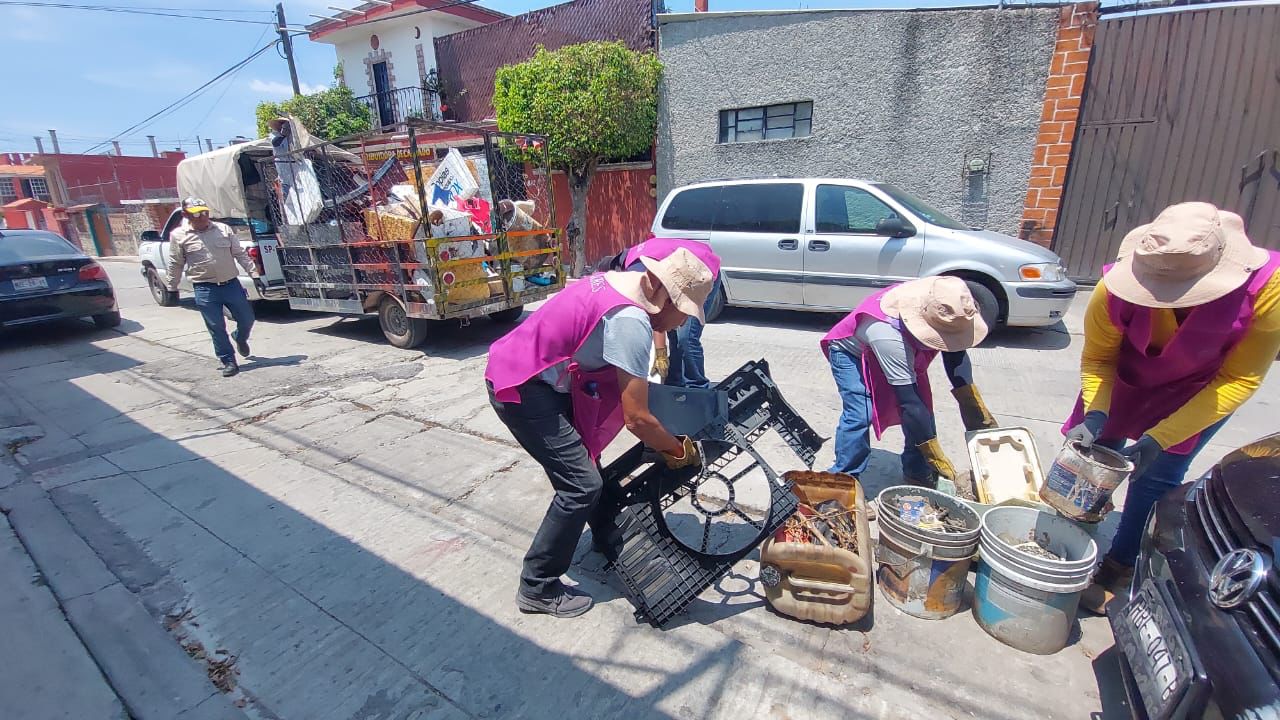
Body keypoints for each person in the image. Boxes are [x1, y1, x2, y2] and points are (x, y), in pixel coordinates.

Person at [1064, 202, 1280, 614]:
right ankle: (1069, 538)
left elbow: (1240, 378)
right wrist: (1095, 413)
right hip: (1125, 377)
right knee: (1091, 460)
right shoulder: (1111, 288)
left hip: (1200, 391)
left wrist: (1160, 439)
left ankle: (1120, 565)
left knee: (1157, 475)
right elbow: (1098, 359)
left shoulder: (1269, 287)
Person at [485, 248, 716, 618]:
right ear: (662, 292)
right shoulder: (630, 320)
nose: (681, 322)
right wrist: (677, 450)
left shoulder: (622, 283)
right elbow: (636, 419)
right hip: (522, 386)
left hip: (542, 376)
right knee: (581, 485)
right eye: (684, 311)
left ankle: (606, 532)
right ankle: (537, 585)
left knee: (587, 463)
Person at [820, 276, 998, 488]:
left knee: (924, 412)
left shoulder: (943, 297)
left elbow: (955, 355)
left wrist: (971, 404)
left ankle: (917, 471)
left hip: (902, 349)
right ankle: (843, 480)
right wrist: (934, 455)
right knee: (861, 413)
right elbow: (909, 403)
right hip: (853, 354)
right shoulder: (887, 334)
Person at [602, 237, 722, 389]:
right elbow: (658, 312)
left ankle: (697, 387)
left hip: (702, 273)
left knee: (686, 337)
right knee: (673, 332)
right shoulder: (632, 261)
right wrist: (661, 352)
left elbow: (654, 310)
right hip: (682, 273)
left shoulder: (637, 270)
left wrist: (660, 354)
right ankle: (675, 383)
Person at [166, 197, 259, 377]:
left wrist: (253, 274)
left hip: (231, 284)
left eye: (205, 212)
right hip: (205, 288)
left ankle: (240, 337)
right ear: (186, 215)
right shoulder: (179, 236)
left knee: (247, 319)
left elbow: (240, 254)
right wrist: (171, 287)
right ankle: (228, 361)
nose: (202, 217)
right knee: (216, 326)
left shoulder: (223, 229)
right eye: (197, 214)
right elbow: (175, 263)